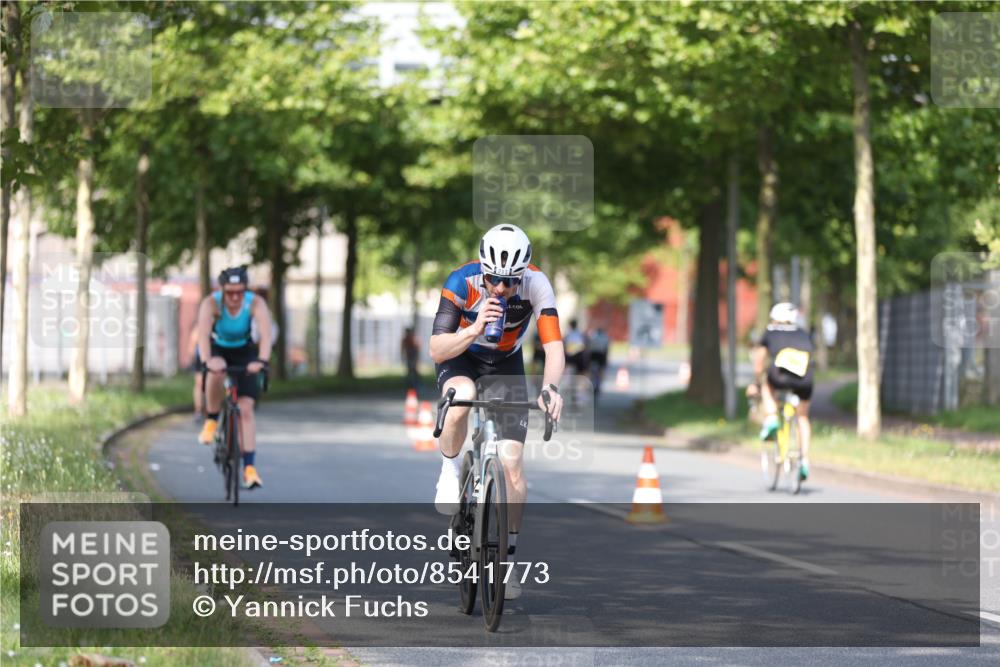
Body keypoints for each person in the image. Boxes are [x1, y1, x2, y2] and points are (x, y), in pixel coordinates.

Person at [429, 223, 564, 599]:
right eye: (494, 280)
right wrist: (474, 328)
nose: (502, 289)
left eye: (510, 282)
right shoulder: (461, 281)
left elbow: (553, 347)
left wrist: (551, 389)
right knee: (462, 395)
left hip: (505, 362)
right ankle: (451, 468)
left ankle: (507, 559)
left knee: (513, 464)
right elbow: (437, 349)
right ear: (483, 271)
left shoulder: (537, 284)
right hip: (461, 357)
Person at [196, 266, 273, 490]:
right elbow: (202, 336)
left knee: (246, 410)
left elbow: (266, 336)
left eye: (240, 291)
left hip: (244, 351)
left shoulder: (255, 303)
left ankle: (249, 469)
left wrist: (261, 361)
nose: (235, 297)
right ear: (222, 290)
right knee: (216, 370)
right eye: (230, 292)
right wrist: (208, 360)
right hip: (218, 348)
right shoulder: (211, 303)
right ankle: (211, 420)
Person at [746, 302, 814, 481]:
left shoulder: (771, 331)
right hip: (805, 378)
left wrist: (755, 382)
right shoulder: (803, 333)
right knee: (803, 418)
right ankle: (804, 460)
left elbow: (759, 361)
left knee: (767, 385)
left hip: (780, 376)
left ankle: (772, 418)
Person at [588, 326, 610, 390]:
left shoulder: (593, 336)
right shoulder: (605, 337)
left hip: (593, 355)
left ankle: (593, 381)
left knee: (593, 369)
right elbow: (606, 349)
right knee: (600, 369)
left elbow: (589, 347)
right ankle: (598, 382)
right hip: (601, 355)